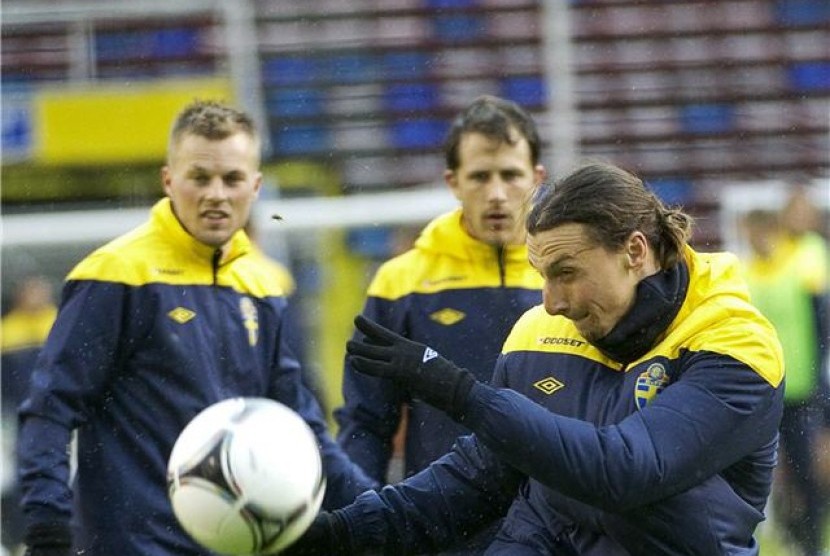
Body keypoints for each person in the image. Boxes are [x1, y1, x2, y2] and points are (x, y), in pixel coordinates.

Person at [288, 161, 785, 555]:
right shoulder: (538, 332)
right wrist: (340, 532)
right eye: (542, 274)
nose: (551, 301)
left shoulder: (736, 345)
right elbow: (477, 478)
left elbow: (624, 471)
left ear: (635, 251)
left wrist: (460, 393)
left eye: (566, 272)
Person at [16, 100, 376, 556]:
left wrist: (376, 509)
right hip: (132, 546)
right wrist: (49, 528)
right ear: (169, 180)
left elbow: (299, 424)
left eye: (232, 179)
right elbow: (50, 408)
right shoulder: (116, 275)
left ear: (256, 186)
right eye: (200, 177)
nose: (216, 195)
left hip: (237, 545)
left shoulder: (263, 286)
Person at [335, 95, 546, 489]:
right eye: (481, 177)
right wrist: (358, 519)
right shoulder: (400, 283)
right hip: (445, 523)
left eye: (511, 175)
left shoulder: (566, 278)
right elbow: (365, 422)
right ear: (453, 182)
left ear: (536, 178)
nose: (497, 194)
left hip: (555, 528)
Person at [742, 191, 828, 556]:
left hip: (802, 388)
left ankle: (810, 541)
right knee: (761, 470)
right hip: (762, 389)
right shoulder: (747, 272)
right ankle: (783, 535)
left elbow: (820, 321)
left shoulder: (803, 258)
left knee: (806, 469)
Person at [1, 276, 58, 555]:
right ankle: (18, 538)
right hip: (16, 416)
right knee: (20, 476)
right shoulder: (7, 331)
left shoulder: (58, 322)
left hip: (57, 415)